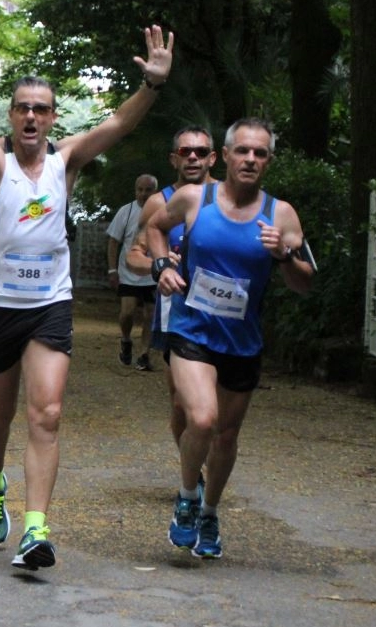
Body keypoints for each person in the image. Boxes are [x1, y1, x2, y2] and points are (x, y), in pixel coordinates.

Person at [0, 22, 173, 570]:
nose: (32, 117)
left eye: (42, 108)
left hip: (48, 306)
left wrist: (152, 86)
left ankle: (35, 528)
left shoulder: (68, 160)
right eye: (23, 107)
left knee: (47, 413)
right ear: (13, 115)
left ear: (53, 116)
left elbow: (116, 123)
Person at [146, 118, 314, 559]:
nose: (251, 160)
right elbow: (155, 228)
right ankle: (186, 498)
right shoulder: (194, 198)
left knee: (225, 435)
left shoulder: (281, 213)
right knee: (200, 418)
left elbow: (305, 282)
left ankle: (210, 511)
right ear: (228, 154)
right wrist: (162, 266)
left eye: (260, 154)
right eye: (243, 151)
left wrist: (287, 254)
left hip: (241, 340)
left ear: (268, 162)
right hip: (191, 329)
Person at [126, 126, 219, 466]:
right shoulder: (159, 202)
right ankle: (192, 476)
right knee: (181, 401)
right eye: (184, 152)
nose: (192, 157)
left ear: (213, 157)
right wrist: (160, 267)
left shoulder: (228, 197)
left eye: (199, 151)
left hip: (222, 312)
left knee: (219, 403)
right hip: (175, 311)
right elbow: (133, 257)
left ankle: (206, 467)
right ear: (173, 159)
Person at [107, 173, 158, 370]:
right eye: (140, 189)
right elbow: (113, 241)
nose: (144, 194)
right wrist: (112, 270)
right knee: (127, 313)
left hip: (153, 272)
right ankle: (126, 340)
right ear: (135, 190)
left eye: (148, 190)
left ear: (155, 191)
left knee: (151, 315)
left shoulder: (164, 209)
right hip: (128, 273)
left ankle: (145, 354)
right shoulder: (126, 211)